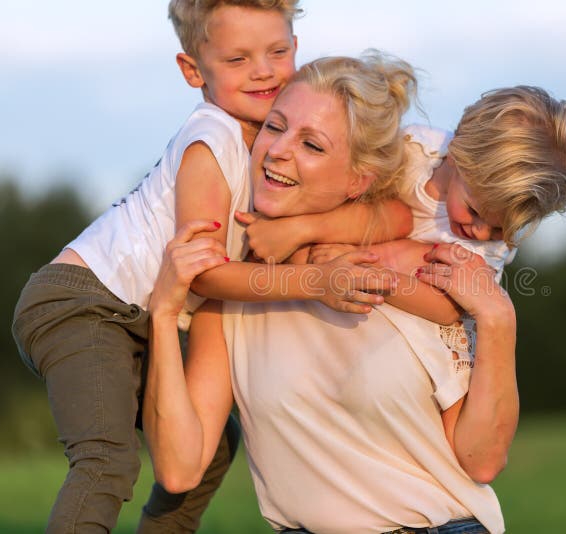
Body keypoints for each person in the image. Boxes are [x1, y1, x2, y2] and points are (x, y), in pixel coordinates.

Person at [145, 52, 566, 533]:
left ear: (362, 178)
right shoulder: (236, 294)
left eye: (313, 144)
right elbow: (178, 469)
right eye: (273, 128)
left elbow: (481, 461)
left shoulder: (435, 276)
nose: (277, 151)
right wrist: (164, 316)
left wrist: (498, 318)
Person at [10, 2, 404, 532]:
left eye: (278, 52)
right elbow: (205, 272)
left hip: (132, 316)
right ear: (194, 71)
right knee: (106, 459)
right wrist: (314, 281)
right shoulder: (211, 136)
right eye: (238, 59)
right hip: (84, 302)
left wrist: (309, 233)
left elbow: (392, 211)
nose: (263, 70)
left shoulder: (269, 140)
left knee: (213, 447)